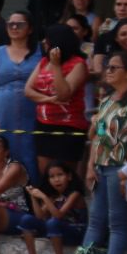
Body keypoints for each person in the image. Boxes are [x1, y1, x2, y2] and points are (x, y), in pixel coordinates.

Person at [81, 52, 127, 254]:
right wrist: (90, 165)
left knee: (117, 222)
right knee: (96, 220)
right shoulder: (107, 101)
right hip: (102, 164)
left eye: (115, 67)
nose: (109, 71)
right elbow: (98, 136)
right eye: (108, 67)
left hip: (121, 166)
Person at [0, 11, 41, 185]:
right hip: (2, 111)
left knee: (30, 151)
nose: (14, 27)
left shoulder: (40, 52)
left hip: (32, 109)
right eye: (10, 24)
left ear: (30, 28)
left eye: (20, 24)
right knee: (0, 149)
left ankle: (32, 193)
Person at [24, 24, 88, 179]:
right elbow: (28, 90)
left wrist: (57, 66)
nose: (44, 43)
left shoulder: (78, 64)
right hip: (44, 124)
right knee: (47, 174)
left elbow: (64, 94)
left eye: (47, 40)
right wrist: (49, 99)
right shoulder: (43, 62)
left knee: (64, 176)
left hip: (68, 126)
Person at [18, 161, 86, 254]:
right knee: (26, 219)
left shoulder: (75, 194)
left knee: (53, 222)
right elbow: (39, 216)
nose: (56, 180)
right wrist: (33, 197)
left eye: (60, 175)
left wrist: (43, 197)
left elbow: (58, 215)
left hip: (75, 232)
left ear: (69, 176)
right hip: (56, 230)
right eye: (52, 177)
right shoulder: (53, 196)